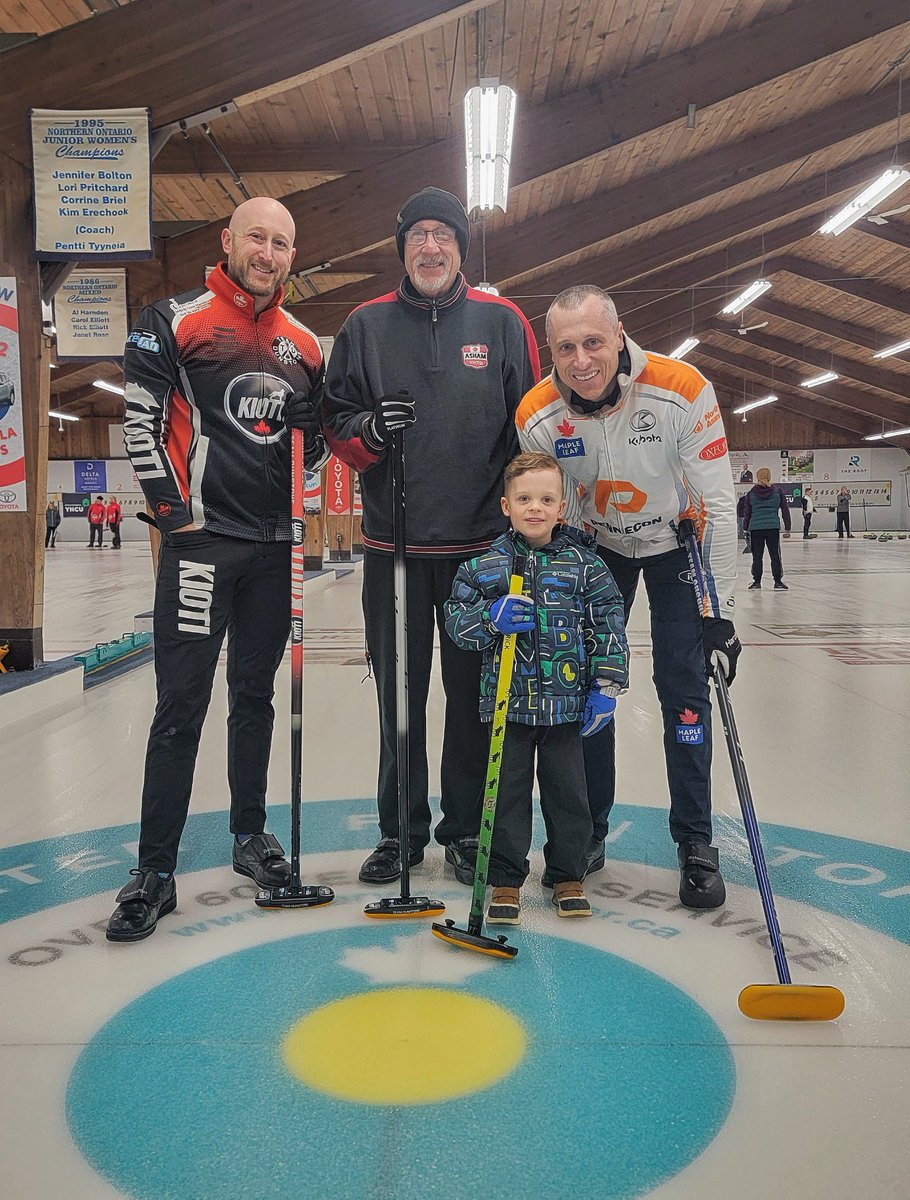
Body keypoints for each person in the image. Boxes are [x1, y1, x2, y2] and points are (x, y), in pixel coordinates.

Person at [106, 196, 328, 943]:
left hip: (273, 550)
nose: (268, 252)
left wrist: (315, 437)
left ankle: (249, 835)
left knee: (254, 696)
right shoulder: (175, 319)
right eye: (257, 238)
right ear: (228, 241)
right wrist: (176, 521)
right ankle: (154, 871)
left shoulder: (304, 344)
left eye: (282, 243)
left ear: (293, 257)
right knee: (180, 706)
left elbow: (316, 451)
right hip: (204, 544)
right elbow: (139, 423)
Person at [323, 187, 540, 886]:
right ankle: (400, 833)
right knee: (400, 699)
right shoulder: (364, 326)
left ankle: (466, 833)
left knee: (475, 702)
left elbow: (530, 431)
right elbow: (334, 422)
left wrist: (527, 526)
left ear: (460, 248)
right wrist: (368, 434)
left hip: (480, 551)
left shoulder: (503, 322)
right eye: (418, 234)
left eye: (443, 235)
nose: (431, 247)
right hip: (396, 550)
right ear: (402, 247)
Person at [516, 284, 740, 909]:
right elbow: (542, 503)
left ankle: (695, 841)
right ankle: (588, 830)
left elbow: (720, 506)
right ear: (549, 352)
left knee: (684, 689)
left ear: (619, 336)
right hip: (599, 549)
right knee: (590, 686)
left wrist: (718, 617)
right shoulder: (536, 414)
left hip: (676, 548)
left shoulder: (682, 388)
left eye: (593, 342)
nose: (582, 361)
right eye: (566, 349)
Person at [444, 452, 629, 923]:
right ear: (506, 505)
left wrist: (605, 684)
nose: (535, 508)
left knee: (570, 794)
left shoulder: (585, 566)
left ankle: (567, 872)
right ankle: (506, 879)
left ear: (562, 505)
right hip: (508, 706)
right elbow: (456, 624)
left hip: (567, 708)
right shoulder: (484, 567)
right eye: (524, 498)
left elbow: (608, 622)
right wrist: (490, 617)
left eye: (546, 498)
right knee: (505, 795)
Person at [743, 467, 791, 590]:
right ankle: (778, 581)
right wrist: (787, 527)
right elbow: (785, 510)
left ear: (757, 477)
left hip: (755, 528)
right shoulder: (778, 492)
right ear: (769, 476)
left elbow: (747, 513)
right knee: (775, 555)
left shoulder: (751, 493)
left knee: (757, 556)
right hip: (772, 527)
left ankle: (757, 582)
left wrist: (745, 528)